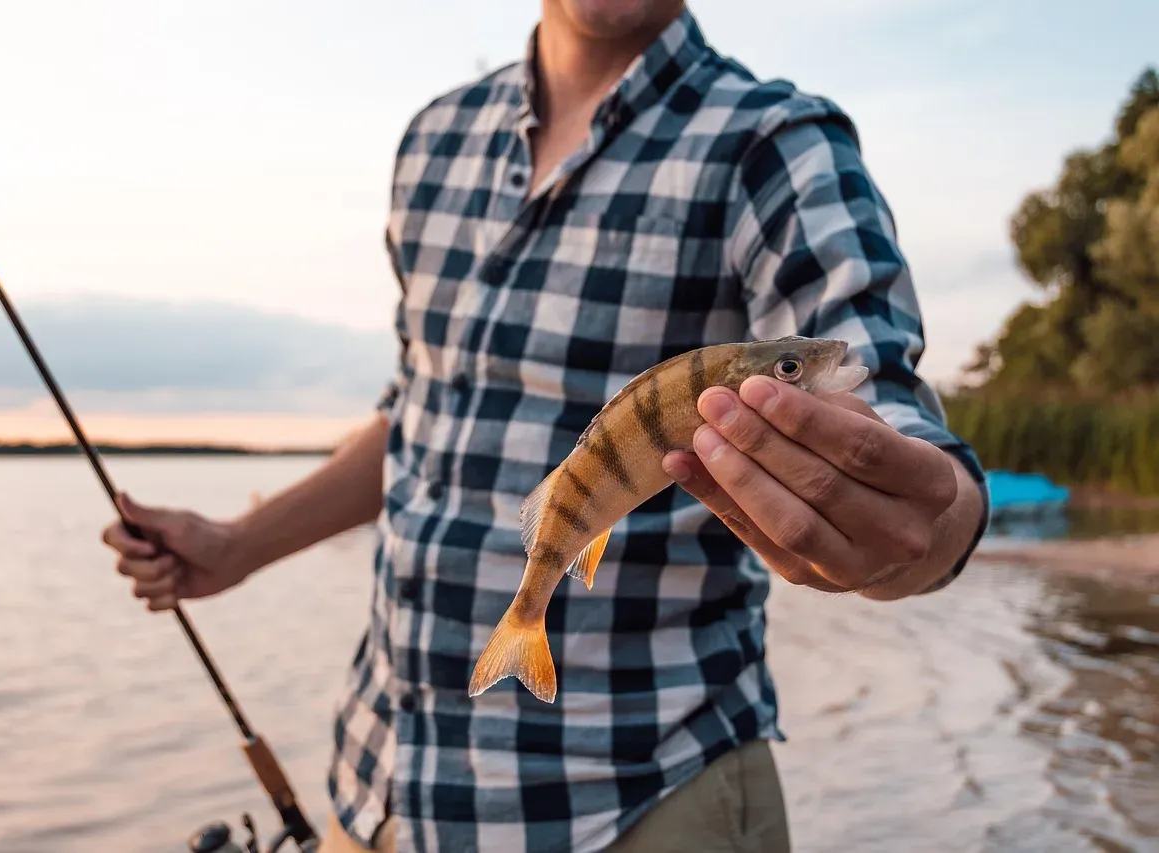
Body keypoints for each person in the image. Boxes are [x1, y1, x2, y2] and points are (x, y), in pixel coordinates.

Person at [101, 2, 989, 851]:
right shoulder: (433, 141)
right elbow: (423, 406)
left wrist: (924, 525)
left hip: (643, 794)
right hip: (380, 783)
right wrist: (238, 544)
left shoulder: (775, 143)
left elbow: (891, 406)